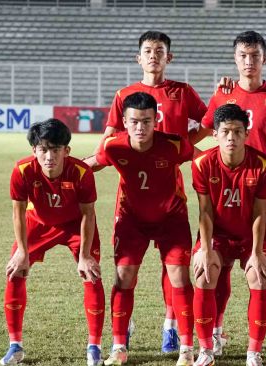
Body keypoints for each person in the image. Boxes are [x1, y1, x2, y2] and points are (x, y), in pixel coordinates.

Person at [90, 30, 208, 354]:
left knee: (176, 271)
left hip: (170, 187)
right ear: (138, 57)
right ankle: (122, 330)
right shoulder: (124, 95)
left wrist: (183, 147)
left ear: (169, 57)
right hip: (131, 197)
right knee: (125, 270)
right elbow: (106, 148)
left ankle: (172, 326)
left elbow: (208, 122)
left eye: (159, 50)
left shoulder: (182, 93)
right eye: (147, 50)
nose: (153, 55)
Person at [199, 30, 266, 357]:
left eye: (255, 55)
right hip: (230, 195)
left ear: (265, 58)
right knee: (222, 265)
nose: (249, 62)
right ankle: (215, 332)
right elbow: (207, 128)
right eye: (243, 56)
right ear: (235, 59)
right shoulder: (223, 95)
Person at [88, 92, 195, 366]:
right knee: (123, 277)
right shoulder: (113, 146)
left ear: (155, 120)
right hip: (131, 220)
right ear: (124, 121)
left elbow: (201, 157)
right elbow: (92, 164)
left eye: (146, 121)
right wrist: (59, 168)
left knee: (180, 277)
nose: (140, 127)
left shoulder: (173, 144)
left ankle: (186, 349)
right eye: (134, 121)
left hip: (171, 218)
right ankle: (119, 347)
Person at [2, 119, 105, 366]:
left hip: (75, 225)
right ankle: (15, 346)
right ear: (34, 150)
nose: (50, 156)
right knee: (16, 272)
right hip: (37, 223)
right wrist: (22, 252)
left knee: (91, 274)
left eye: (56, 149)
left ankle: (94, 346)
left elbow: (88, 214)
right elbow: (18, 213)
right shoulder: (22, 170)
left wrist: (85, 255)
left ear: (66, 150)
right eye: (43, 149)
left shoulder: (81, 172)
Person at [191, 104, 266, 366]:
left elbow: (260, 213)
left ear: (246, 134)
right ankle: (206, 350)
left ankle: (253, 353)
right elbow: (205, 212)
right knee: (205, 274)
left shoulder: (261, 164)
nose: (231, 137)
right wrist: (205, 250)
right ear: (214, 134)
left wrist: (258, 252)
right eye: (225, 131)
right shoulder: (202, 163)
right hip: (218, 234)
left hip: (250, 235)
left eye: (238, 131)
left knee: (259, 277)